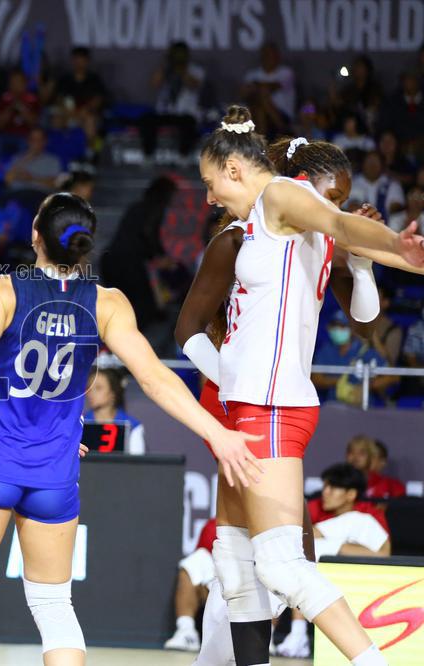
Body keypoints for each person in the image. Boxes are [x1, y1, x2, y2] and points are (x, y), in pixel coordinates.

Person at [0, 192, 265, 666]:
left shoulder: (0, 289)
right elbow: (157, 378)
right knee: (55, 608)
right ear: (85, 244)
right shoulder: (108, 303)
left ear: (36, 236)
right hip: (55, 472)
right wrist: (217, 434)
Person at [177, 105, 424, 666]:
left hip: (270, 406)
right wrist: (394, 254)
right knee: (235, 562)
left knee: (282, 565)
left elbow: (341, 226)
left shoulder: (282, 197)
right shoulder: (256, 228)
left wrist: (394, 247)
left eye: (210, 182)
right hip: (245, 405)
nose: (209, 196)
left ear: (235, 170)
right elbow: (343, 234)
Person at [278, 463, 391, 659]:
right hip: (332, 576)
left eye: (333, 487)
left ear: (351, 494)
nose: (325, 492)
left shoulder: (363, 516)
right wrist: (340, 546)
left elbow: (384, 554)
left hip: (368, 582)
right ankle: (289, 636)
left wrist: (340, 547)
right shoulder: (318, 509)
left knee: (303, 554)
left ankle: (297, 635)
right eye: (325, 486)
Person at [100, 176, 178, 330]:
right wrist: (160, 258)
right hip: (126, 263)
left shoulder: (139, 207)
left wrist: (159, 256)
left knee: (125, 306)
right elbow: (147, 236)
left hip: (112, 260)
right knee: (144, 307)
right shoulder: (153, 208)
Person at [163, 518, 217, 651]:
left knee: (267, 566)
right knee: (195, 560)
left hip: (252, 580)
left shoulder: (266, 521)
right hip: (222, 584)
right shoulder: (214, 525)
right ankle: (187, 632)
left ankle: (264, 637)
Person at [83, 367, 146, 455]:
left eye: (98, 388)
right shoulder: (79, 424)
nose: (91, 393)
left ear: (113, 393)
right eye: (89, 388)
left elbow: (137, 463)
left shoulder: (132, 426)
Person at [242, 42, 295, 137]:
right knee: (259, 109)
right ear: (262, 56)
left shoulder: (286, 73)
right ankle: (271, 139)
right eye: (266, 55)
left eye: (272, 55)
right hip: (257, 116)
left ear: (278, 56)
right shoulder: (252, 74)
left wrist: (255, 85)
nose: (269, 58)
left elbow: (274, 86)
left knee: (263, 95)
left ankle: (282, 129)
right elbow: (244, 93)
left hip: (283, 116)